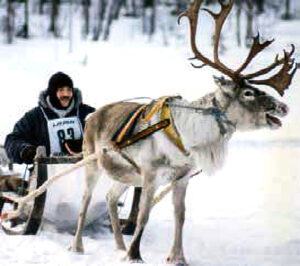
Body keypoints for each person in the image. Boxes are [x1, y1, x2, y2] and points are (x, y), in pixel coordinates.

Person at [4, 72, 95, 164]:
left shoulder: (86, 112)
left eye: (69, 90)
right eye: (61, 90)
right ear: (52, 92)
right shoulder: (36, 116)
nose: (66, 94)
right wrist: (25, 151)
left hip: (83, 169)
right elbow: (12, 140)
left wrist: (86, 143)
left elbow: (107, 129)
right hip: (47, 172)